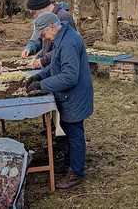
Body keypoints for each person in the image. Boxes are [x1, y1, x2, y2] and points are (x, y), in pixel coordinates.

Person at [26, 12, 93, 189]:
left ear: (52, 27)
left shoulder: (69, 42)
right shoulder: (62, 39)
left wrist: (43, 85)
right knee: (70, 132)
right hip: (69, 96)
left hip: (75, 97)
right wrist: (40, 75)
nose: (43, 38)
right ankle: (71, 165)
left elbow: (69, 77)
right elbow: (56, 65)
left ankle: (76, 173)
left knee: (74, 134)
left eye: (43, 34)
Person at [21, 0, 76, 69]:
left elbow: (66, 49)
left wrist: (43, 60)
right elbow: (45, 45)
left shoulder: (64, 17)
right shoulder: (46, 19)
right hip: (50, 66)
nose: (34, 16)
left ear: (41, 8)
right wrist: (34, 53)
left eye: (34, 12)